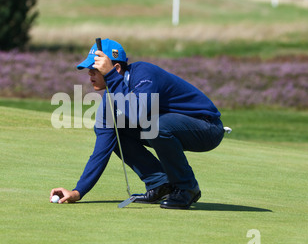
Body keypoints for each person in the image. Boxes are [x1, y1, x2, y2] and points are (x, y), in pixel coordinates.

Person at [50, 39, 225, 209]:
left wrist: (110, 75)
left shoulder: (144, 74)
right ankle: (160, 183)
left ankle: (187, 187)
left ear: (115, 68)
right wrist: (77, 191)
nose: (89, 74)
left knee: (154, 125)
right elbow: (102, 150)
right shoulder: (110, 101)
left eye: (95, 69)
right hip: (171, 127)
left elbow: (137, 111)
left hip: (206, 127)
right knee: (116, 132)